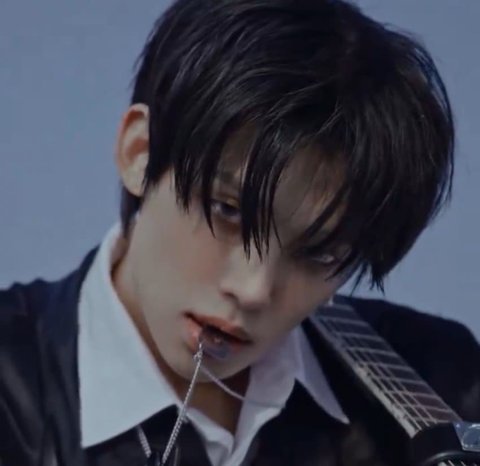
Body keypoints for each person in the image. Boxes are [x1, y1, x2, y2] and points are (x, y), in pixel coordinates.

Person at [1, 0, 479, 465]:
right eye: (227, 211)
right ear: (139, 153)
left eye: (319, 253)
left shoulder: (442, 383)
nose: (253, 290)